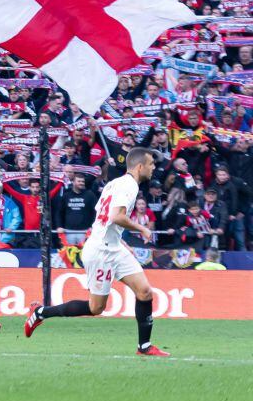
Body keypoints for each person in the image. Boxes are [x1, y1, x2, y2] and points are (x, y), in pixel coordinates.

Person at [24, 148, 170, 357]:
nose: (153, 167)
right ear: (140, 167)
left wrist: (118, 240)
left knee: (145, 292)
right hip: (101, 251)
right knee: (96, 308)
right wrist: (142, 228)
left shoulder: (116, 183)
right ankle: (41, 312)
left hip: (113, 246)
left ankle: (144, 346)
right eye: (150, 164)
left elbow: (104, 216)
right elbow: (116, 216)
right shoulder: (129, 186)